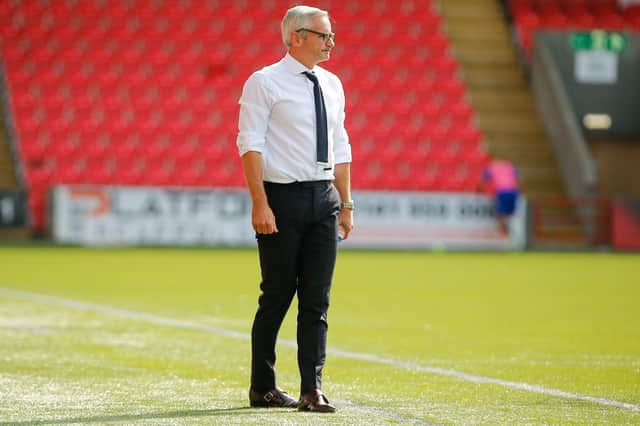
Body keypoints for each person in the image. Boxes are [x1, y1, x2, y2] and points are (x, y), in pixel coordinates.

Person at [236, 5, 353, 413]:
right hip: (281, 199)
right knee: (278, 296)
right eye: (323, 35)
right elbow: (250, 144)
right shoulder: (264, 82)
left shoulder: (333, 84)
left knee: (317, 300)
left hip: (324, 198)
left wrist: (346, 203)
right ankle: (262, 387)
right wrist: (260, 203)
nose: (330, 43)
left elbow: (340, 147)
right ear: (296, 37)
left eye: (331, 35)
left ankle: (311, 389)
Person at [480, 160, 519, 234]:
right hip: (513, 190)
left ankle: (503, 231)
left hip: (501, 191)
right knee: (510, 212)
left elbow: (484, 180)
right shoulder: (510, 166)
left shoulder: (491, 167)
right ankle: (507, 230)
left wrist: (484, 191)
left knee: (500, 212)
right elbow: (517, 177)